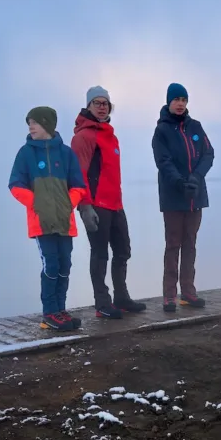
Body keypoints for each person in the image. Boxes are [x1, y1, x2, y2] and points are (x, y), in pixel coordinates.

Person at [8, 106, 86, 332]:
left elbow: (79, 186)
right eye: (29, 123)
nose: (31, 127)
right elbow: (15, 185)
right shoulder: (26, 153)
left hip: (64, 221)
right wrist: (37, 203)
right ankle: (50, 313)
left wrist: (67, 203)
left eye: (36, 122)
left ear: (48, 125)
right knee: (50, 265)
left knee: (65, 265)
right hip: (41, 222)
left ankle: (60, 310)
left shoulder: (66, 153)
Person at [71, 86, 146, 318]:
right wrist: (84, 206)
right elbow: (78, 174)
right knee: (100, 253)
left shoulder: (111, 136)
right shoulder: (83, 136)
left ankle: (121, 297)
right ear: (89, 106)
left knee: (123, 250)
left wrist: (119, 203)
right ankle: (102, 303)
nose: (102, 107)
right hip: (95, 205)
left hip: (115, 204)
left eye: (105, 103)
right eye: (97, 103)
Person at [152, 83, 214, 312]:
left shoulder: (195, 127)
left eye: (184, 100)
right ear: (169, 102)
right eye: (176, 99)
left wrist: (196, 177)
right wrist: (179, 182)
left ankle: (188, 292)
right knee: (173, 245)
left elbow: (208, 153)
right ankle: (169, 295)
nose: (180, 104)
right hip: (173, 197)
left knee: (190, 244)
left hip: (195, 196)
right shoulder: (162, 131)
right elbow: (163, 161)